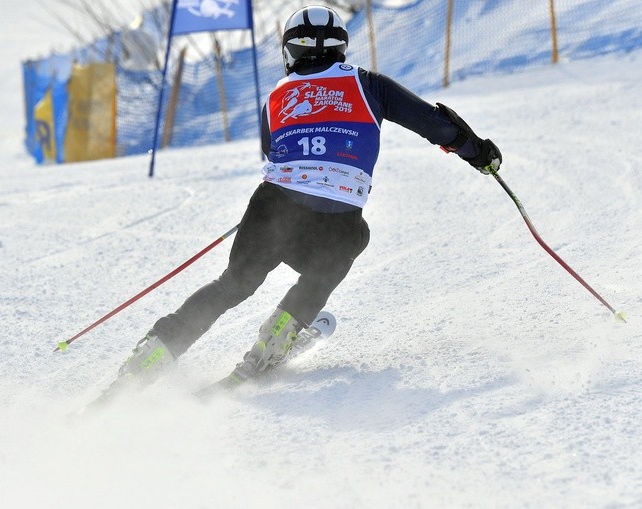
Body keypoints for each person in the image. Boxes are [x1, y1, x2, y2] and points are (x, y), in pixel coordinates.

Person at [118, 5, 501, 384]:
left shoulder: (275, 97)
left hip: (273, 208)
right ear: (341, 47)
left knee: (233, 284)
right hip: (335, 221)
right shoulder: (368, 84)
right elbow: (434, 124)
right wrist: (479, 153)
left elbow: (273, 151)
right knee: (347, 246)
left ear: (290, 51)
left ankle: (154, 352)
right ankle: (279, 333)